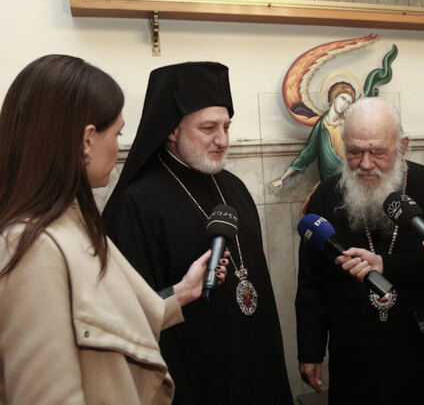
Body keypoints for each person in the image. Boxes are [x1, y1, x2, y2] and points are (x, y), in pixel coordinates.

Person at [0, 54, 227, 404]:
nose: (120, 146)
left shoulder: (74, 219)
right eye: (117, 133)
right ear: (87, 140)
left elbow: (103, 323)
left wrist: (181, 293)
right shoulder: (32, 246)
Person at [102, 62, 293, 404]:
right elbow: (132, 313)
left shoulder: (233, 187)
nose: (222, 140)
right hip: (192, 377)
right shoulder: (137, 203)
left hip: (253, 366)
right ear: (172, 130)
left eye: (226, 126)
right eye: (208, 128)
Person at [295, 97, 424, 404]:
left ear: (402, 145)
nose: (365, 164)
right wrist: (310, 350)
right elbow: (312, 282)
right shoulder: (327, 195)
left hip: (423, 355)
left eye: (378, 152)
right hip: (354, 356)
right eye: (354, 152)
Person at [268, 81, 356, 193]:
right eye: (343, 98)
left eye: (348, 102)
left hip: (349, 184)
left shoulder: (348, 126)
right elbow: (307, 154)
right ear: (334, 98)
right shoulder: (321, 127)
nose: (345, 104)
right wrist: (282, 178)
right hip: (328, 186)